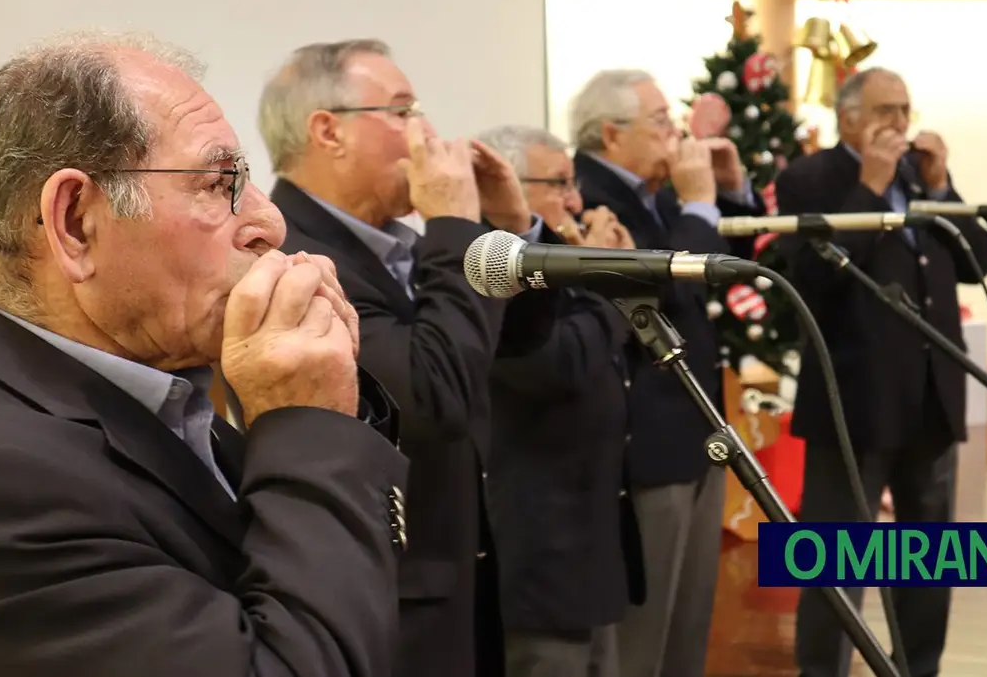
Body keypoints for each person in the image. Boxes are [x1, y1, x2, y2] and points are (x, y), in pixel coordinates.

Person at [0, 33, 408, 677]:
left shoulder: (148, 384)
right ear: (76, 223)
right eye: (219, 183)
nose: (270, 223)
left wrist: (321, 408)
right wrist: (307, 424)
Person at [256, 39, 555, 677]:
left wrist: (503, 229)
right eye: (401, 111)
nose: (426, 133)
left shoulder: (395, 245)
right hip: (391, 602)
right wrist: (453, 225)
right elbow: (432, 396)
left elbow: (524, 341)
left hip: (455, 572)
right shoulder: (295, 254)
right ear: (328, 130)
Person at [774, 67, 987, 677]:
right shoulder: (808, 179)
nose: (899, 123)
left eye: (904, 109)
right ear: (848, 118)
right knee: (836, 562)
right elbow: (814, 280)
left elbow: (976, 262)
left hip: (931, 396)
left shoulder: (922, 179)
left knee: (928, 560)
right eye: (884, 111)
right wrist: (869, 188)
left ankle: (917, 667)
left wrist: (945, 187)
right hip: (855, 401)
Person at [567, 69, 762, 677]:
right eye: (659, 121)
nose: (674, 132)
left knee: (690, 621)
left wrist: (727, 193)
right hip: (644, 441)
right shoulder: (587, 191)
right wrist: (701, 203)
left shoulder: (661, 190)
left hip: (695, 429)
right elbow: (657, 287)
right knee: (643, 640)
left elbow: (721, 267)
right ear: (610, 133)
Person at [475, 124, 645, 677]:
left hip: (591, 535)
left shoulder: (554, 254)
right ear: (504, 186)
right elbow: (555, 363)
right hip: (537, 546)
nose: (575, 199)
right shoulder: (488, 265)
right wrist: (609, 273)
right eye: (559, 183)